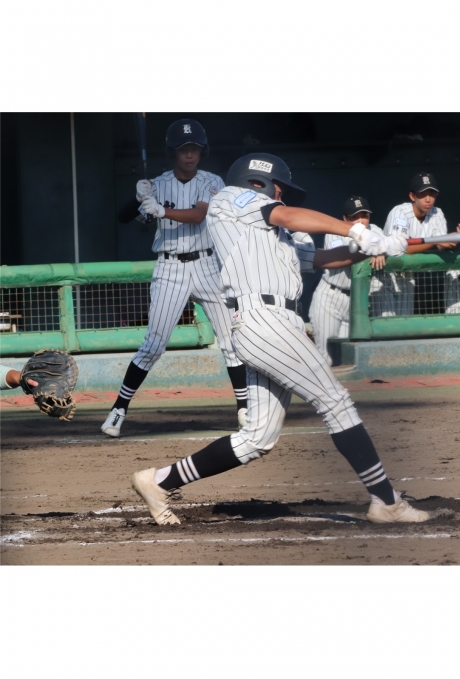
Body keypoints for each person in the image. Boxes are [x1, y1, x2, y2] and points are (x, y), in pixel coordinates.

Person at [130, 153, 429, 526]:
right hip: (264, 320)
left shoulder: (268, 235)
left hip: (271, 324)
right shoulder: (233, 199)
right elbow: (286, 215)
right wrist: (355, 230)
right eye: (279, 188)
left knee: (257, 437)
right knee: (335, 402)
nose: (281, 196)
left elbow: (320, 258)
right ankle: (386, 501)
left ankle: (158, 481)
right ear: (258, 182)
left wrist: (370, 247)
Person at [101, 119, 249, 437]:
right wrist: (137, 198)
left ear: (202, 151)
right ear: (173, 153)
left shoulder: (212, 181)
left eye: (194, 148)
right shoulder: (157, 185)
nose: (190, 155)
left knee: (232, 342)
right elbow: (123, 217)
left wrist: (161, 211)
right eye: (183, 150)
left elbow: (199, 214)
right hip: (170, 269)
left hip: (208, 266)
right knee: (153, 345)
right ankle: (118, 410)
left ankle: (245, 410)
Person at [308, 195, 384, 365]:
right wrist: (374, 249)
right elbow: (345, 254)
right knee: (325, 357)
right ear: (345, 218)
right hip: (330, 298)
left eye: (364, 215)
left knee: (347, 359)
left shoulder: (375, 229)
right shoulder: (334, 231)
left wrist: (381, 250)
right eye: (355, 217)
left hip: (357, 302)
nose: (361, 221)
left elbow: (386, 244)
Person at [378, 172, 451, 316]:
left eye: (432, 194)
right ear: (412, 196)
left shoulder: (437, 213)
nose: (428, 199)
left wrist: (452, 240)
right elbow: (398, 250)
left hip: (407, 277)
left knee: (404, 325)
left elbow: (442, 245)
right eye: (422, 194)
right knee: (385, 325)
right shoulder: (400, 212)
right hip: (385, 276)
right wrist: (435, 241)